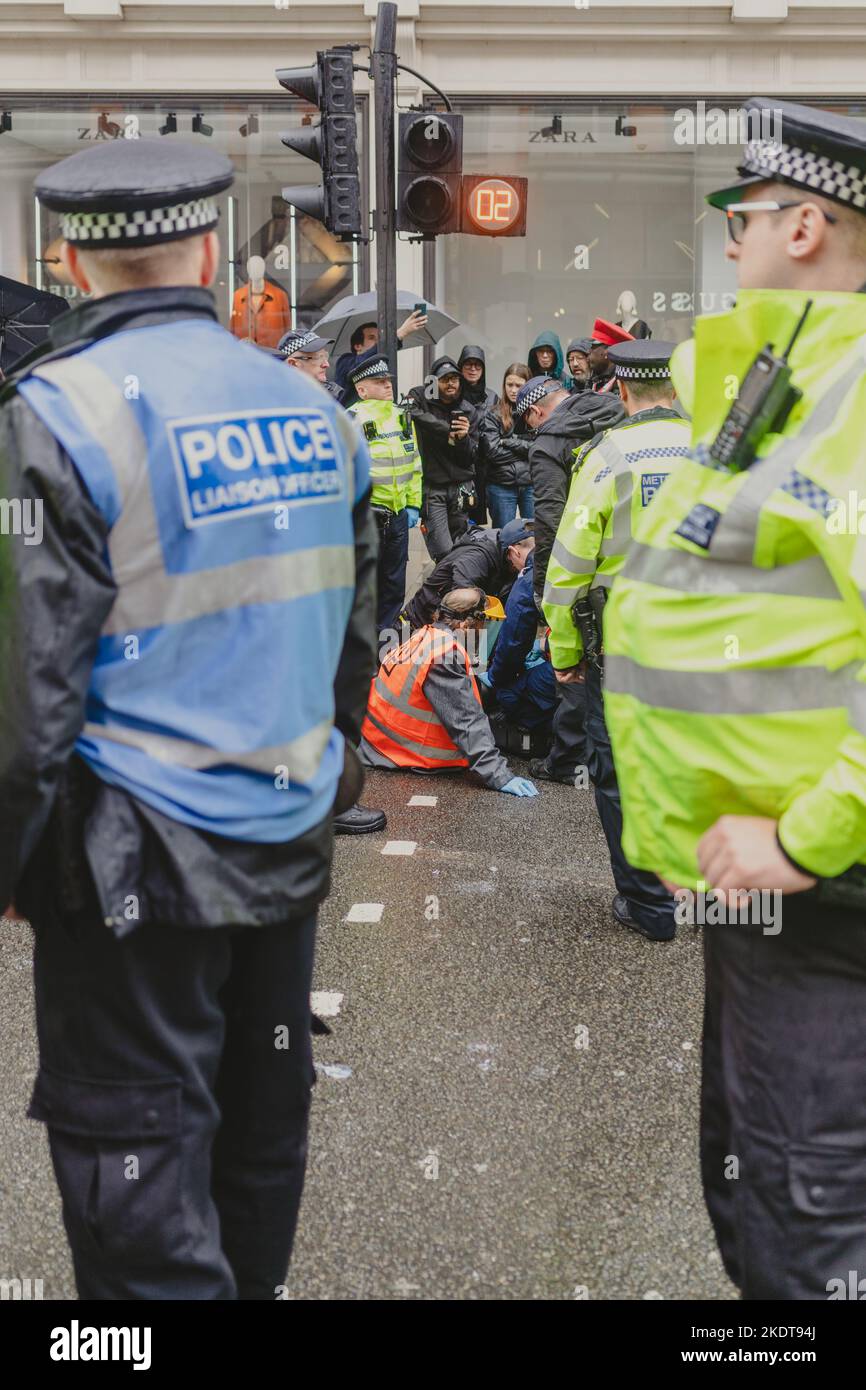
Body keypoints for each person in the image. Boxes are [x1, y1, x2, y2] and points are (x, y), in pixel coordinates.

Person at [0, 138, 379, 1300]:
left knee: (137, 1180)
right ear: (212, 250)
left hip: (130, 866)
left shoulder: (50, 416)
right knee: (257, 1148)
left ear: (68, 256)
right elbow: (347, 643)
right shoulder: (317, 415)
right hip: (284, 835)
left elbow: (28, 684)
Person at [603, 97, 866, 1298]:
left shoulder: (850, 391)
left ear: (806, 225)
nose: (732, 237)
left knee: (805, 1221)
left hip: (823, 892)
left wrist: (805, 839)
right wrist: (678, 832)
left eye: (748, 214)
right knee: (755, 1184)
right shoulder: (781, 378)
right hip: (764, 884)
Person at [543, 340, 691, 941]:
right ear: (675, 391)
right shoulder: (713, 450)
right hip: (706, 643)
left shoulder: (606, 456)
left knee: (621, 771)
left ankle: (649, 904)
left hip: (626, 645)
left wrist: (565, 652)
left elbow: (569, 566)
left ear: (623, 392)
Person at [515, 375, 625, 787]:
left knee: (579, 662)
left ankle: (568, 760)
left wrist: (546, 587)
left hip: (586, 563)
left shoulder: (547, 443)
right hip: (641, 561)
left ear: (536, 412)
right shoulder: (617, 412)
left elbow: (550, 518)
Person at [360, 587, 538, 797]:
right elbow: (465, 720)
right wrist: (499, 775)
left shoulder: (423, 636)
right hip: (401, 751)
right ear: (465, 624)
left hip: (377, 740)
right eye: (483, 624)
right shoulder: (444, 655)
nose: (483, 632)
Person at [346, 354, 422, 634]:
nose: (387, 386)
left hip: (399, 515)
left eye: (388, 381)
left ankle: (385, 643)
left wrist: (414, 504)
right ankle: (363, 644)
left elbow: (414, 464)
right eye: (378, 382)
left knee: (394, 583)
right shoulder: (351, 419)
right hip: (369, 515)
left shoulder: (402, 416)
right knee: (367, 584)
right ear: (361, 389)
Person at [477, 544, 556, 745]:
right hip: (611, 659)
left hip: (577, 665)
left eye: (510, 560)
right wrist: (544, 646)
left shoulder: (531, 578)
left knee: (509, 694)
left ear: (515, 551)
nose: (512, 567)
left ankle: (551, 742)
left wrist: (496, 678)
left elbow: (513, 643)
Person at [402, 519, 534, 631]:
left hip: (446, 627)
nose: (533, 562)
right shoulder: (478, 557)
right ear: (513, 551)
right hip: (418, 624)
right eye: (530, 557)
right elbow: (463, 604)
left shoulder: (509, 555)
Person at [407, 356, 480, 560]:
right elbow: (409, 410)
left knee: (460, 549)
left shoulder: (468, 410)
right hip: (433, 488)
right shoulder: (421, 398)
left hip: (461, 489)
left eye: (454, 379)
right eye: (444, 379)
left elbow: (470, 458)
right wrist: (446, 430)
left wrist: (463, 438)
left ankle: (455, 591)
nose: (450, 384)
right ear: (433, 380)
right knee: (443, 551)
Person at [477, 362, 533, 528]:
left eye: (518, 385)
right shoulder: (494, 414)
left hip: (531, 483)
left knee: (534, 536)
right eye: (510, 385)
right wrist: (525, 447)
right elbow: (492, 452)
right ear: (504, 385)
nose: (514, 390)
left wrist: (507, 442)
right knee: (503, 537)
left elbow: (539, 448)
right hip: (501, 484)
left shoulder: (535, 413)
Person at [333, 309, 428, 406]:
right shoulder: (345, 361)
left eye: (379, 338)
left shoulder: (380, 361)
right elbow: (361, 364)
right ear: (358, 346)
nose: (378, 342)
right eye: (371, 337)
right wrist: (399, 334)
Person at [587, 319, 634, 392]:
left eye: (593, 347)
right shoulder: (593, 380)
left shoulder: (624, 385)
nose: (588, 351)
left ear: (607, 352)